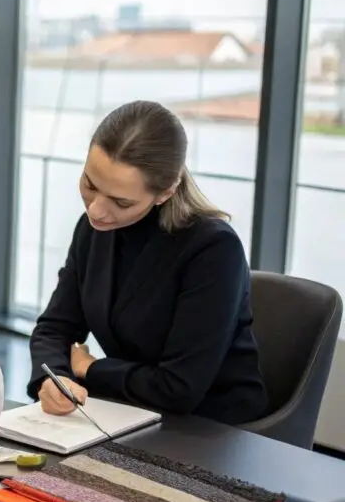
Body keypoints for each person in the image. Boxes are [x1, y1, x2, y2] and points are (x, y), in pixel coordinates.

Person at [27, 100, 268, 424]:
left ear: (165, 192)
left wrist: (89, 368)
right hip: (133, 411)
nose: (96, 210)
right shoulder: (94, 230)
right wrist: (53, 379)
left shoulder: (212, 249)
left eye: (121, 201)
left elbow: (178, 388)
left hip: (214, 428)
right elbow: (54, 328)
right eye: (90, 184)